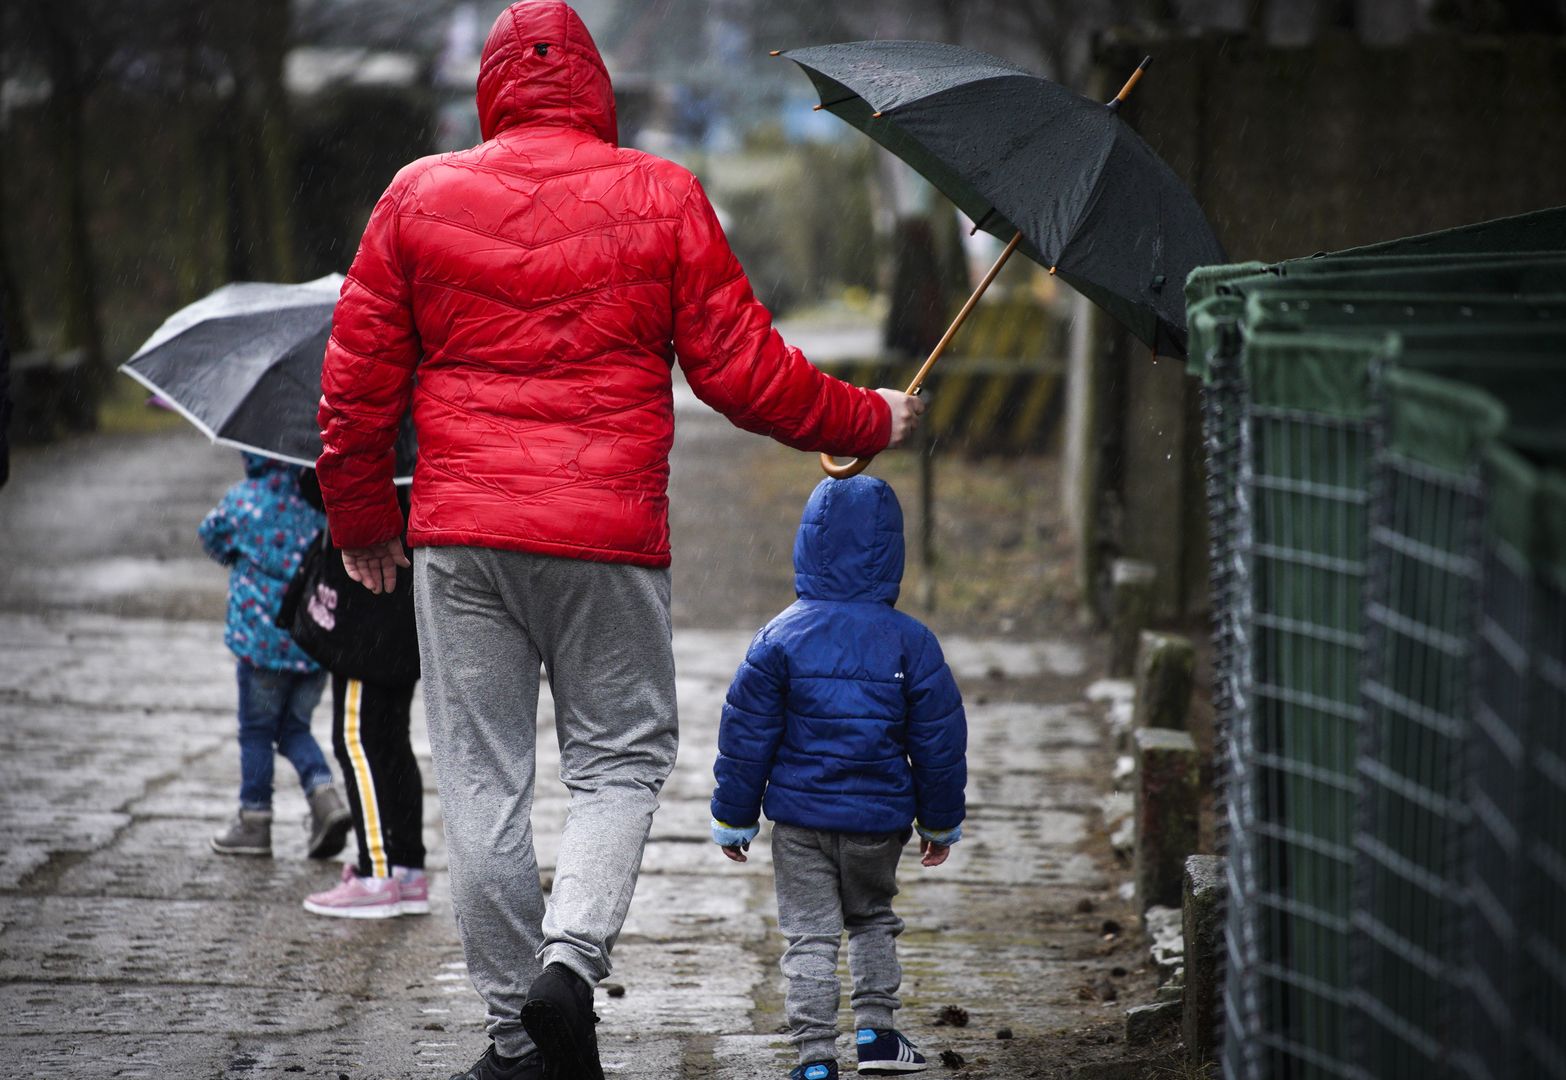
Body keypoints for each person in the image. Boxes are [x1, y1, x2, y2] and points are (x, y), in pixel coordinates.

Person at [314, 4, 925, 1078]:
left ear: (491, 88)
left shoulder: (418, 194)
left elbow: (356, 384)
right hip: (608, 536)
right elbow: (742, 368)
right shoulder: (662, 195)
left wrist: (362, 519)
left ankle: (515, 1041)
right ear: (595, 86)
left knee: (482, 784)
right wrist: (866, 419)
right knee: (619, 760)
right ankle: (570, 964)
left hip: (460, 537)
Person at [710, 476, 967, 1080]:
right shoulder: (913, 643)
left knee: (809, 936)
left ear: (809, 546)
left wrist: (734, 815)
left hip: (799, 822)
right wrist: (940, 820)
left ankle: (815, 1056)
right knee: (873, 919)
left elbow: (746, 737)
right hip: (878, 822)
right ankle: (877, 1034)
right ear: (891, 552)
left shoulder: (779, 637)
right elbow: (939, 743)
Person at [282, 476, 429, 918]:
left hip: (367, 610)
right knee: (390, 739)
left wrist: (309, 467)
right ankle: (406, 870)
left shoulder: (367, 423)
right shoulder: (417, 431)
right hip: (402, 604)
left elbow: (327, 488)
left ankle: (376, 874)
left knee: (357, 740)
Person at [199, 454, 353, 859]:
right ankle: (326, 799)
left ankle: (254, 821)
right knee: (294, 728)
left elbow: (211, 535)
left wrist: (241, 555)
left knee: (257, 732)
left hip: (261, 647)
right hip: (311, 641)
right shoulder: (321, 501)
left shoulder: (246, 499)